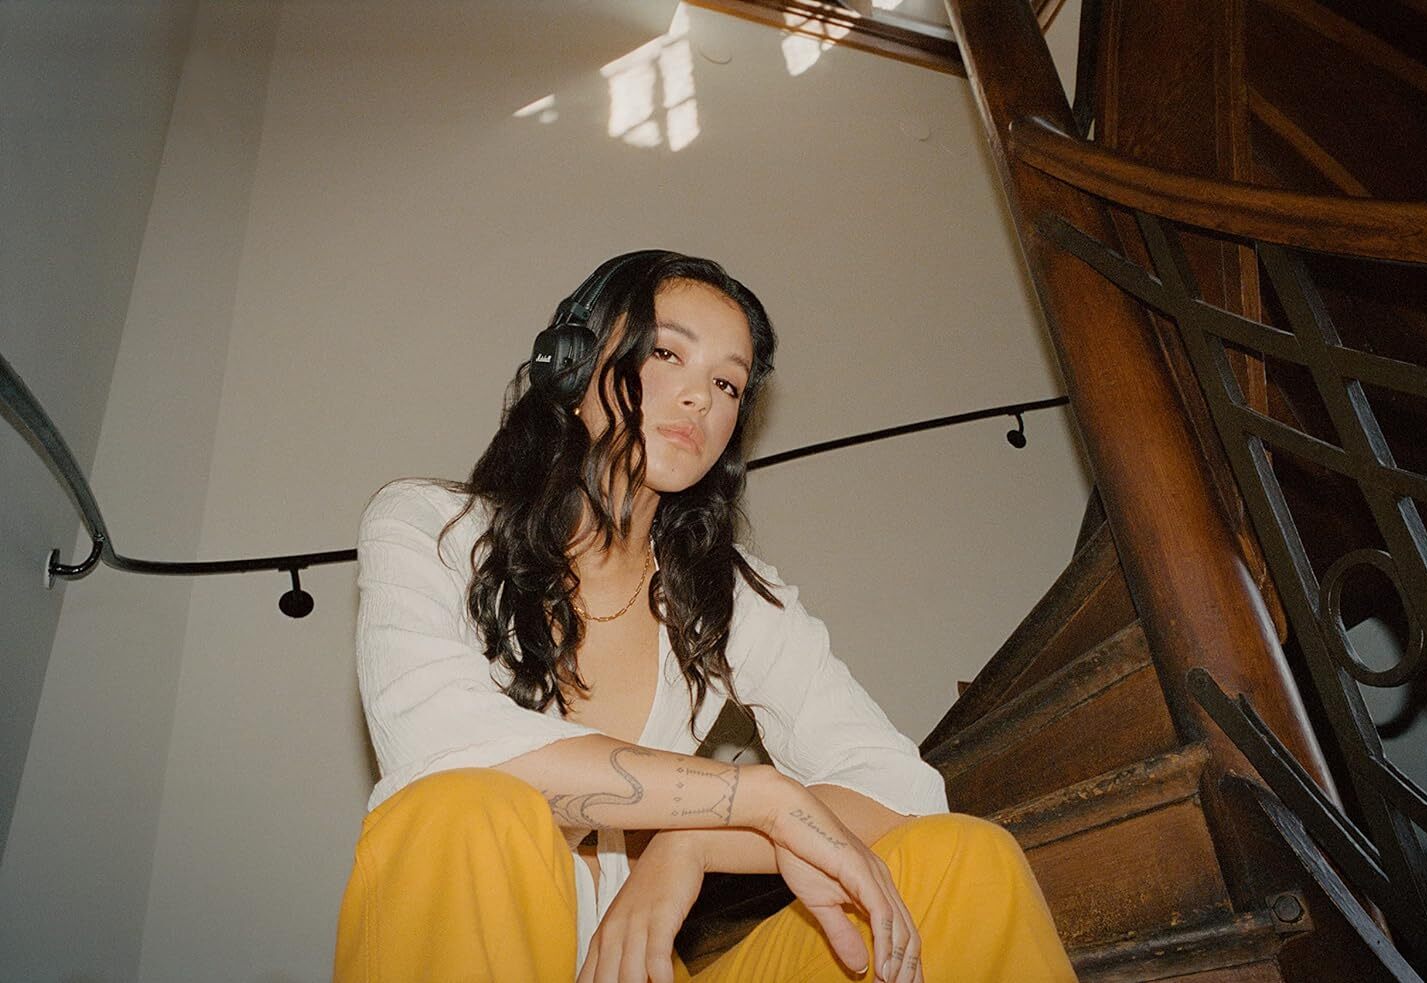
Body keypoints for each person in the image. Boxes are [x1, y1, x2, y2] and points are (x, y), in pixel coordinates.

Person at [333, 250, 1075, 983]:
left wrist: (688, 845)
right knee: (463, 808)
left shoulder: (731, 598)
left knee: (965, 856)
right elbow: (444, 744)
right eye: (666, 353)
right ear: (570, 364)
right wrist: (754, 797)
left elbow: (899, 786)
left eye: (726, 381)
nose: (701, 398)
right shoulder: (431, 528)